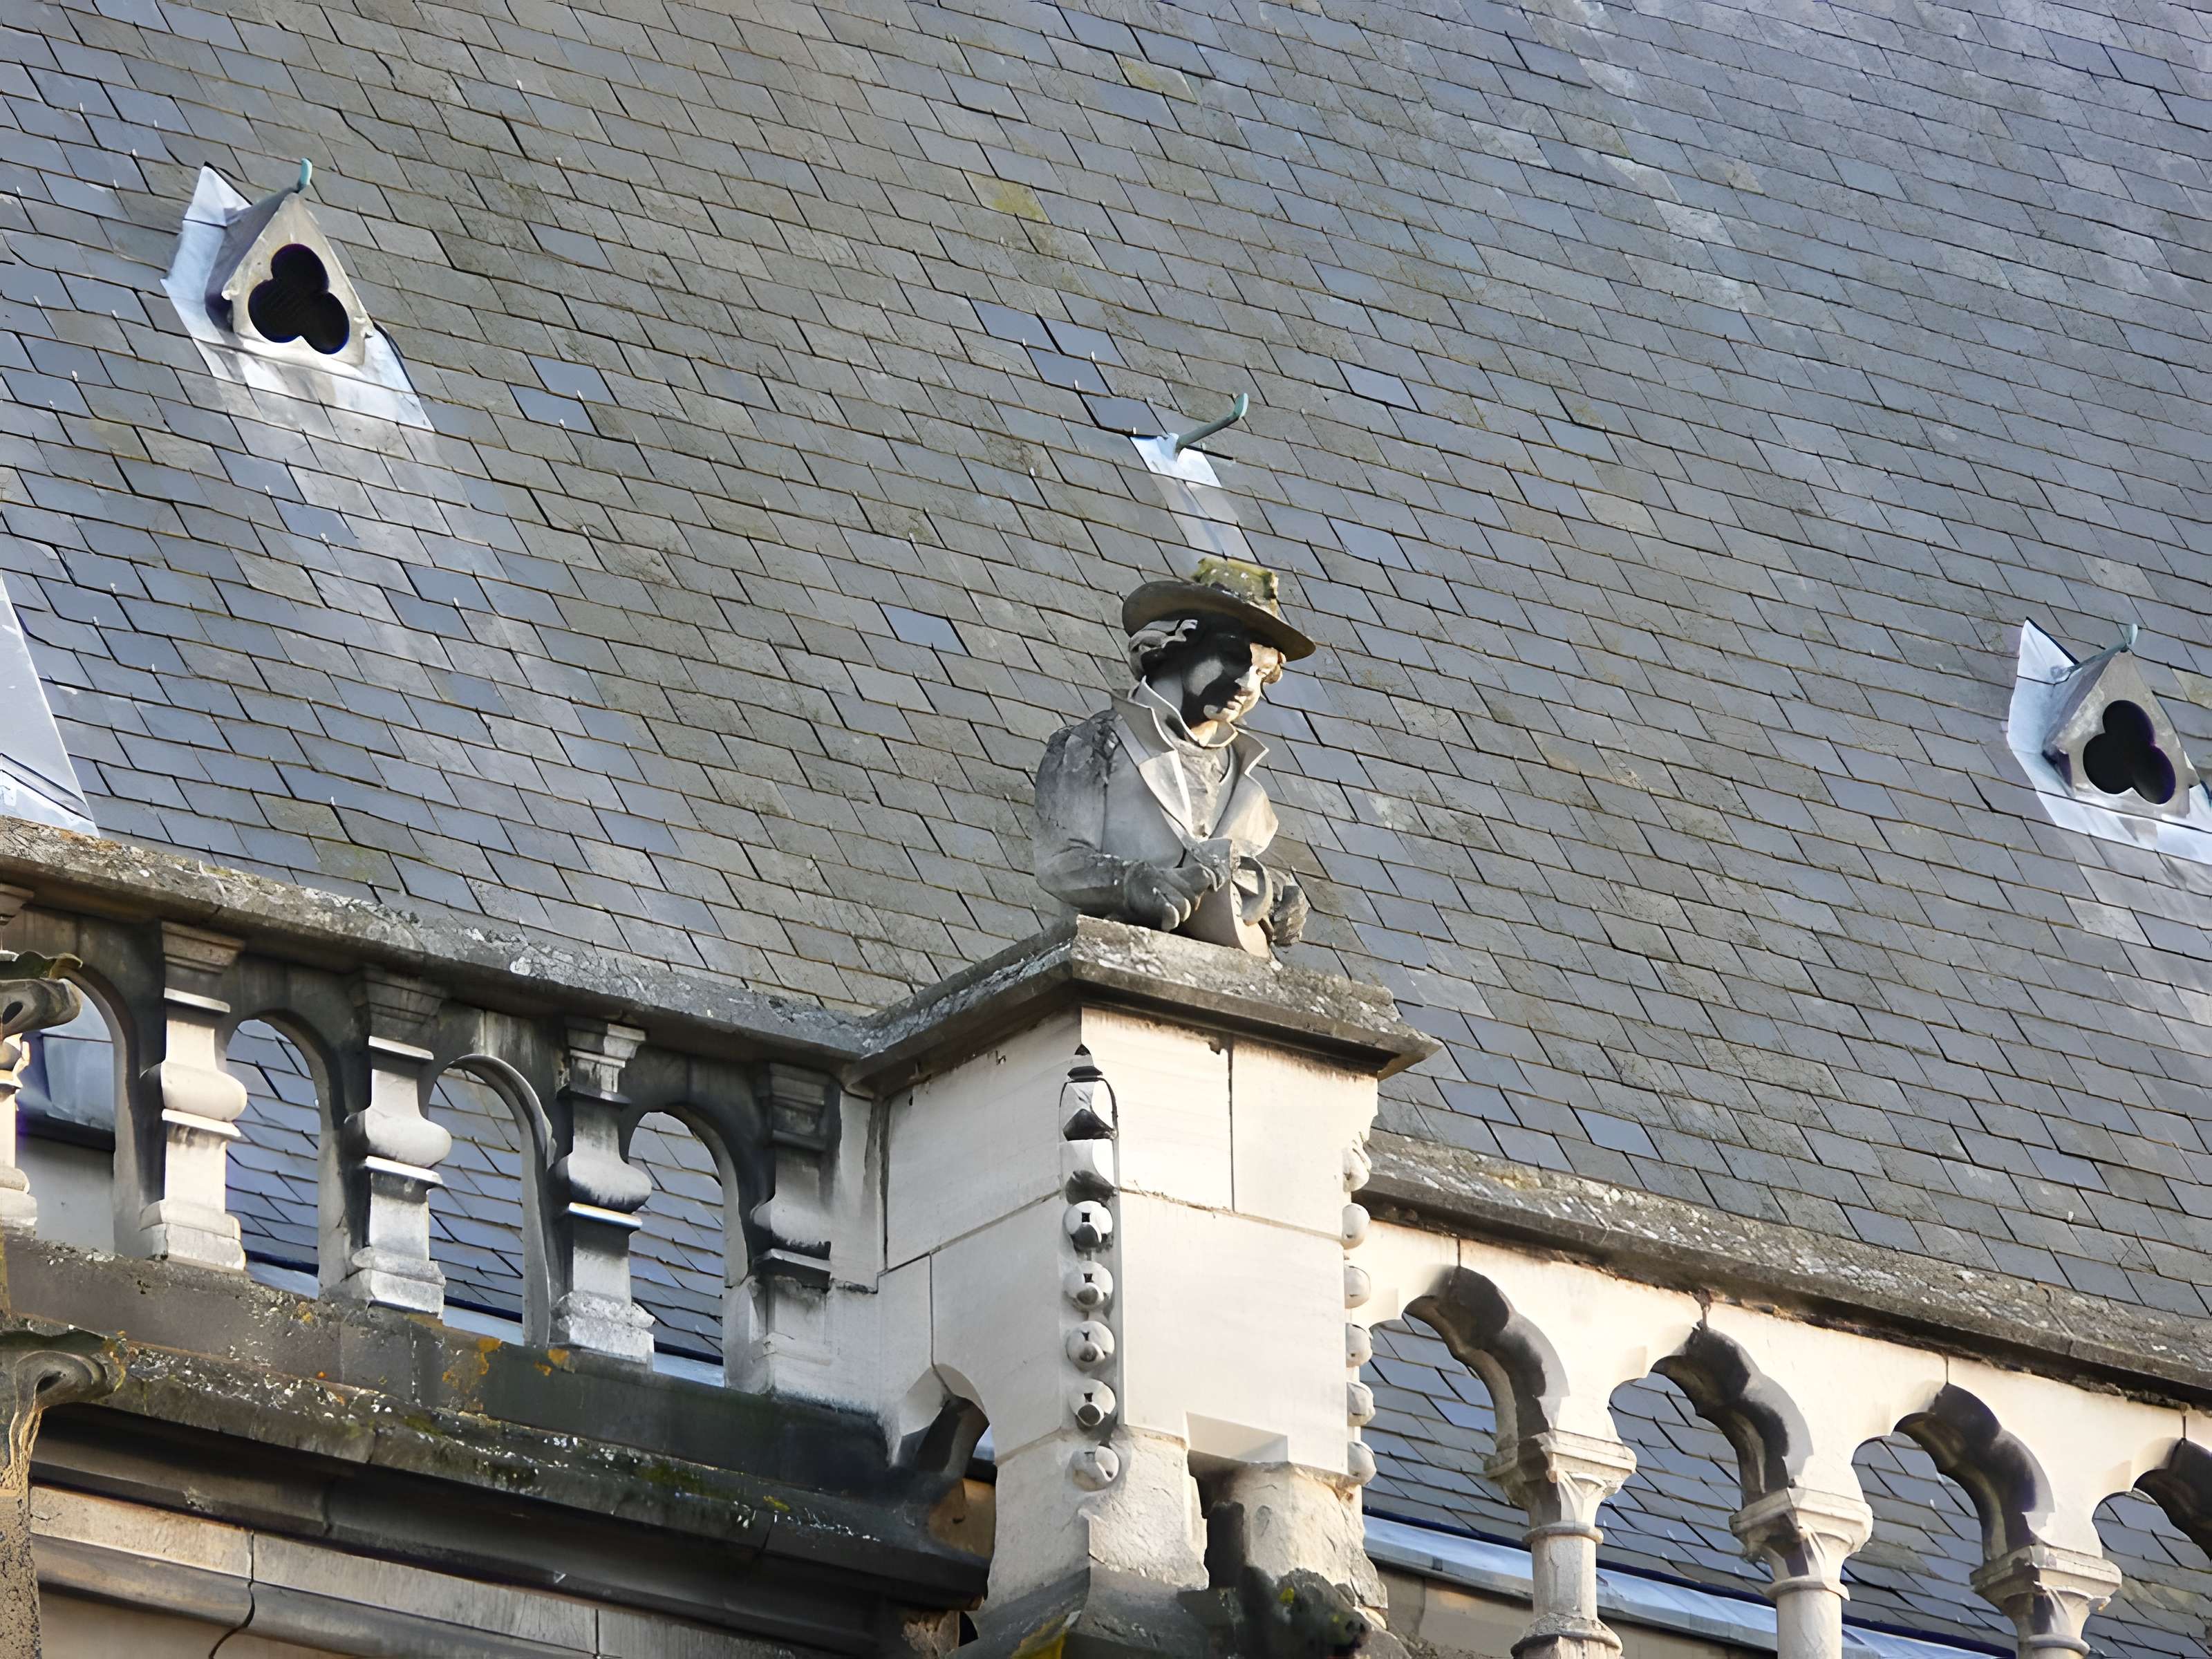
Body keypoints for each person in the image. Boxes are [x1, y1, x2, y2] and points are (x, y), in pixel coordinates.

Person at [1033, 560, 1314, 957]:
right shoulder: (1092, 746)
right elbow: (1059, 863)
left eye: (1261, 673)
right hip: (1114, 959)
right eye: (1234, 659)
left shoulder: (1244, 782)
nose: (1248, 684)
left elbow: (1227, 876)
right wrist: (1134, 883)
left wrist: (1274, 896)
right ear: (1180, 644)